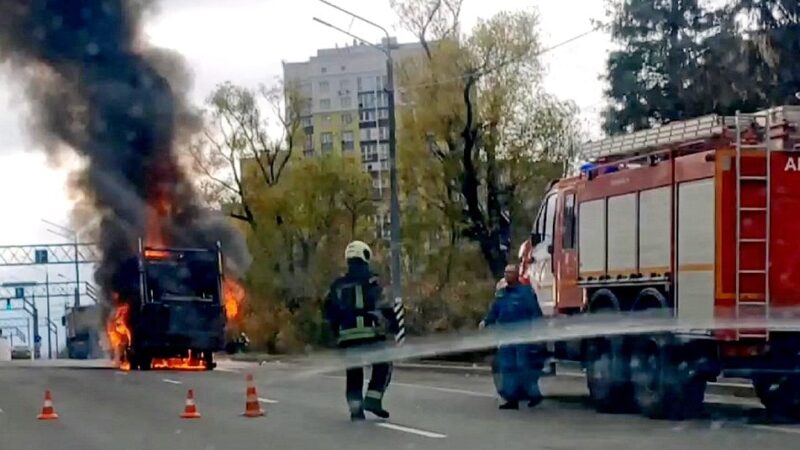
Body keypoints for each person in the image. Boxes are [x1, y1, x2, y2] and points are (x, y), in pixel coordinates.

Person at [324, 240, 397, 421]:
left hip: (347, 336)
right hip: (370, 334)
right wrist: (394, 326)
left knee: (354, 372)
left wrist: (336, 333)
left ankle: (356, 410)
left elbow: (328, 312)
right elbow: (386, 307)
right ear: (365, 256)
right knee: (383, 363)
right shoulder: (374, 282)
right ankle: (373, 399)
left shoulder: (337, 285)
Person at [480, 264, 546, 410]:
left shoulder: (526, 293)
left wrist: (538, 331)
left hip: (522, 336)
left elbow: (535, 312)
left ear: (516, 275)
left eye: (510, 273)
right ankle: (511, 399)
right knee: (507, 368)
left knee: (523, 366)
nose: (507, 275)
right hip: (506, 337)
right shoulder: (502, 294)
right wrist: (486, 321)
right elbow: (494, 311)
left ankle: (534, 395)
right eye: (506, 273)